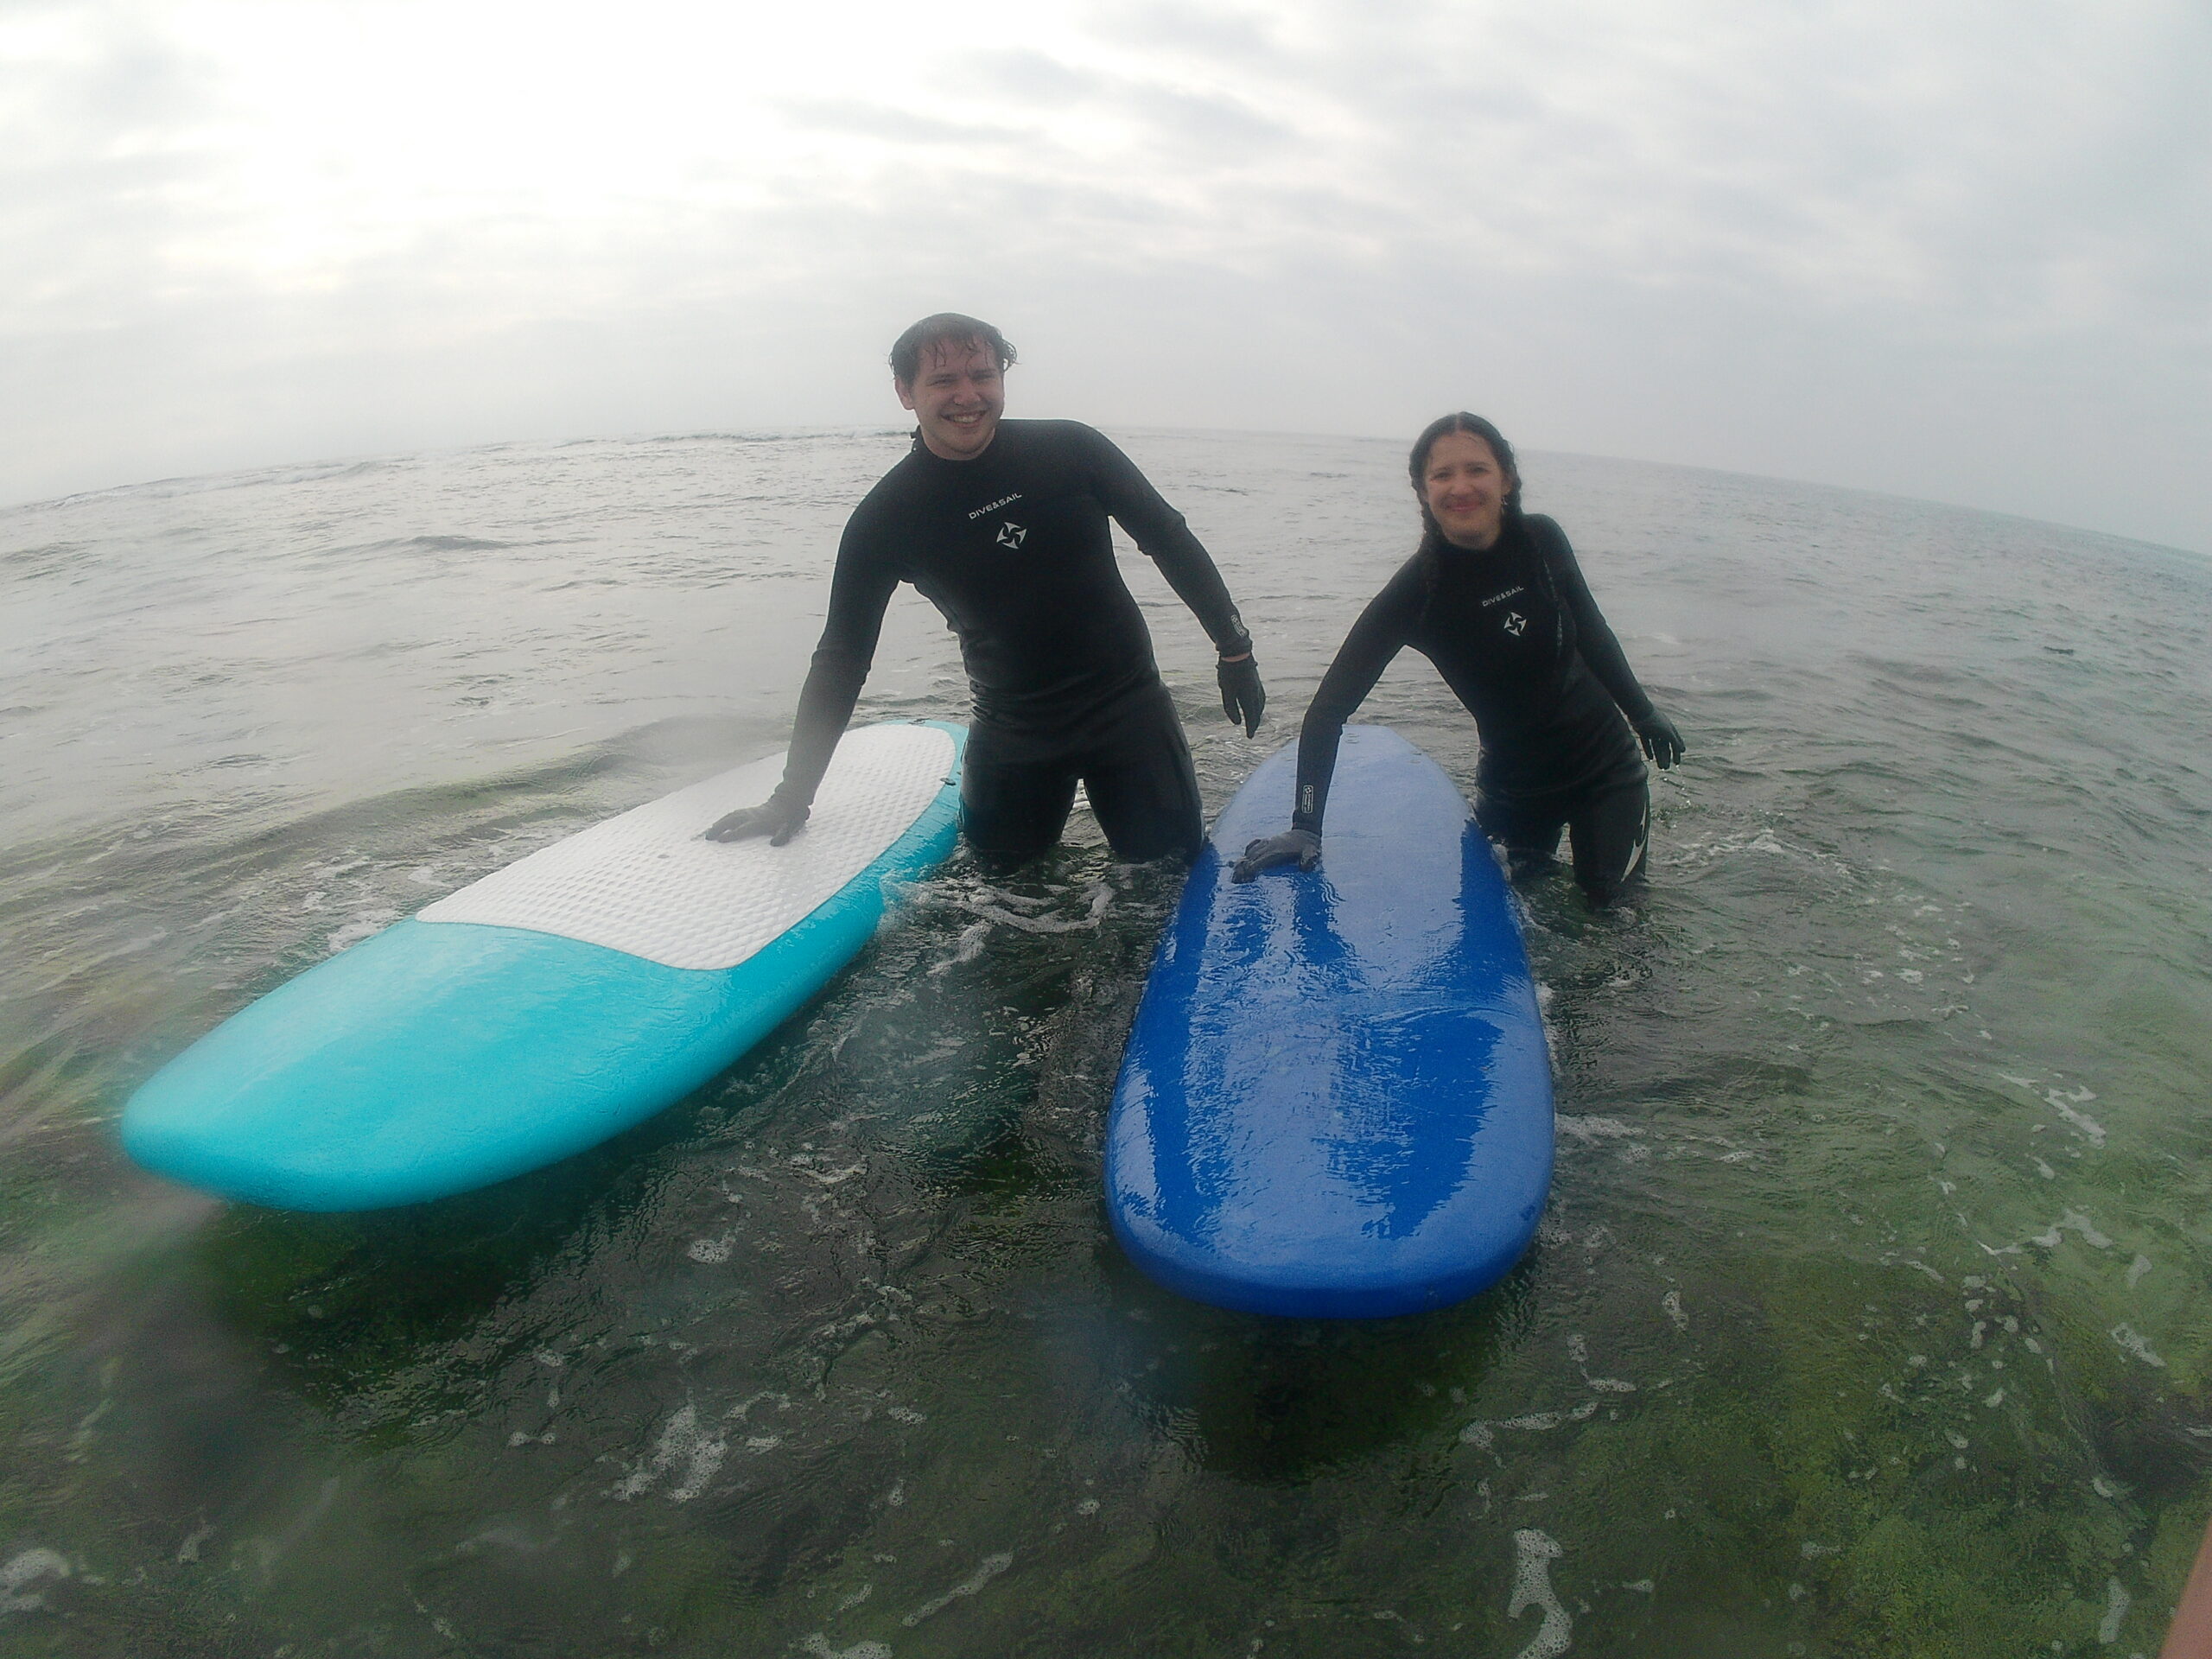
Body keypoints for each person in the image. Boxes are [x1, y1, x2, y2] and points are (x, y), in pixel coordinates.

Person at [705, 314, 1264, 868]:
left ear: (1002, 378)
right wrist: (791, 797)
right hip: (1013, 731)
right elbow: (842, 657)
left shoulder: (1071, 449)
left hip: (1131, 712)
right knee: (999, 893)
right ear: (905, 392)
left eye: (982, 375)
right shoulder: (887, 518)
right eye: (944, 380)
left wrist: (1234, 649)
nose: (967, 396)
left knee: (1168, 877)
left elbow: (1168, 537)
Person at [1231, 411, 1682, 907]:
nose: (1461, 487)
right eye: (1442, 474)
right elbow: (1328, 709)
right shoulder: (1417, 593)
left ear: (1506, 478)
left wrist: (1643, 713)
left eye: (1477, 469)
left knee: (1614, 920)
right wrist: (1305, 825)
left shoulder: (1541, 541)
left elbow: (1593, 633)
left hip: (1606, 772)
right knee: (1522, 918)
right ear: (1423, 491)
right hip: (1513, 791)